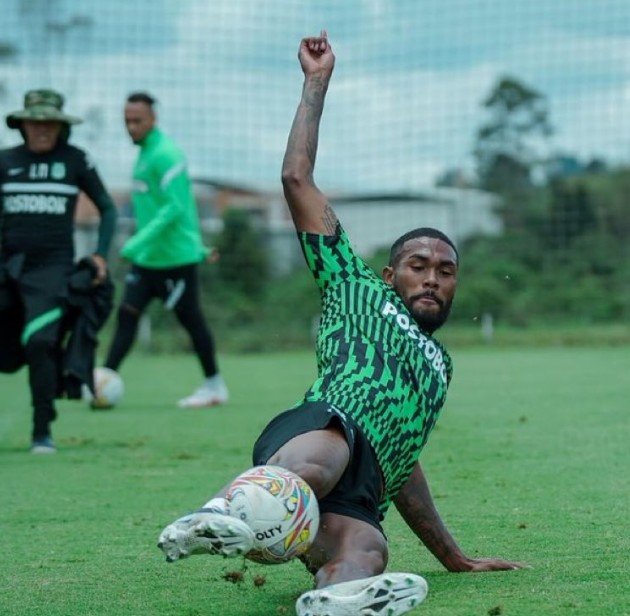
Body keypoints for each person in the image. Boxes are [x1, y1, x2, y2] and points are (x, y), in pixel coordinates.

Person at [156, 31, 524, 616]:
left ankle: (332, 599)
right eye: (418, 265)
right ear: (389, 273)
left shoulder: (439, 370)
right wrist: (315, 83)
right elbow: (296, 181)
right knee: (327, 455)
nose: (433, 278)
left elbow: (404, 467)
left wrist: (453, 555)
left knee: (368, 547)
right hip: (322, 434)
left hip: (366, 482)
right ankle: (225, 514)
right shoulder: (353, 284)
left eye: (446, 271)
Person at [0, 89, 117, 454]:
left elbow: (108, 210)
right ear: (22, 125)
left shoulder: (75, 160)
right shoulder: (5, 161)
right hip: (7, 268)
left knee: (40, 343)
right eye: (34, 122)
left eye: (48, 123)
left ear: (60, 126)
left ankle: (41, 431)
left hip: (51, 272)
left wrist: (100, 254)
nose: (41, 129)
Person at [102, 92, 228, 409]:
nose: (131, 127)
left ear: (153, 119)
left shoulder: (166, 154)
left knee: (191, 321)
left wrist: (135, 243)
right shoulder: (144, 153)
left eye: (137, 121)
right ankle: (102, 381)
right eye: (127, 121)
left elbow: (175, 208)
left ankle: (214, 386)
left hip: (174, 260)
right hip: (148, 261)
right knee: (127, 316)